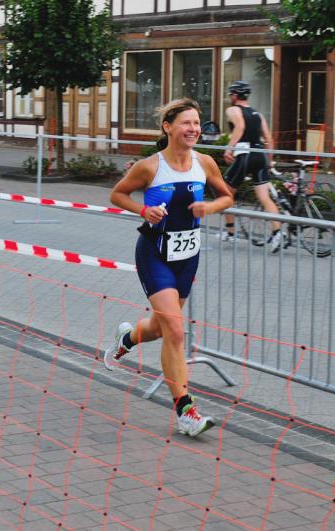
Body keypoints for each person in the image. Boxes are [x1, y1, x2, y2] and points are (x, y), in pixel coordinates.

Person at [104, 98, 233, 438]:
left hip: (187, 256)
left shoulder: (204, 163)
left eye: (197, 123)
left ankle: (127, 338)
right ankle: (186, 412)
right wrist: (142, 210)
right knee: (175, 331)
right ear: (168, 127)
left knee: (162, 329)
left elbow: (227, 196)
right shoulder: (150, 166)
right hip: (154, 253)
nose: (194, 129)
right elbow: (118, 194)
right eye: (187, 122)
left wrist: (210, 207)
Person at [221, 80, 284, 251]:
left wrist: (229, 148)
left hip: (244, 154)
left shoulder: (232, 110)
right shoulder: (258, 114)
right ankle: (277, 233)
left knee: (225, 194)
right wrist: (269, 161)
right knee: (264, 197)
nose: (230, 97)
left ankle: (231, 233)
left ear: (235, 95)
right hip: (260, 155)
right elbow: (269, 138)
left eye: (230, 94)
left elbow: (240, 127)